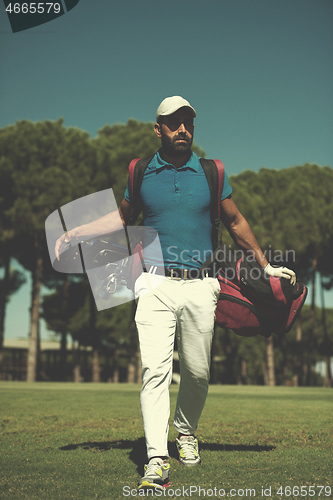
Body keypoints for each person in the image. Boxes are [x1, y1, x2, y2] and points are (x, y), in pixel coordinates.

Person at [55, 96, 296, 490]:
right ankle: (155, 460)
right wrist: (75, 232)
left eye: (188, 122)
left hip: (202, 284)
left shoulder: (212, 171)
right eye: (173, 123)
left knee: (198, 374)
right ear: (158, 129)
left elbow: (234, 220)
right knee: (155, 373)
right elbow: (121, 217)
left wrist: (266, 265)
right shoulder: (140, 171)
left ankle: (185, 432)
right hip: (153, 283)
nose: (182, 129)